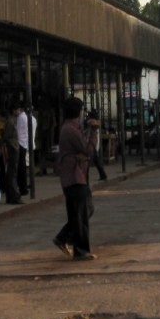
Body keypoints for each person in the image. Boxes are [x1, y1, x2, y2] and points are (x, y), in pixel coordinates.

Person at [52, 96, 99, 261]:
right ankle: (79, 249)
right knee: (81, 214)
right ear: (76, 112)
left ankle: (64, 238)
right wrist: (94, 132)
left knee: (80, 212)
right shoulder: (70, 130)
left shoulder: (71, 128)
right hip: (74, 177)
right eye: (81, 110)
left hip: (74, 176)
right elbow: (87, 150)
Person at [2, 105, 22, 204]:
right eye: (18, 109)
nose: (19, 111)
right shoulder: (10, 122)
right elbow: (7, 137)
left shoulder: (13, 121)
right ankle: (14, 196)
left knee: (12, 173)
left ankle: (12, 196)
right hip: (12, 148)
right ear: (14, 110)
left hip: (13, 147)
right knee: (12, 173)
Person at [15, 104, 32, 197]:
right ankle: (23, 187)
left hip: (20, 143)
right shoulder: (25, 117)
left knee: (21, 167)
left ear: (19, 109)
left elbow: (17, 131)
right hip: (24, 143)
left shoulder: (20, 118)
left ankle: (22, 187)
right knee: (22, 167)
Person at [87, 109, 108, 182]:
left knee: (89, 161)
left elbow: (92, 124)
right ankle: (103, 175)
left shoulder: (92, 122)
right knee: (96, 161)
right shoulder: (97, 122)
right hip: (94, 143)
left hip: (92, 144)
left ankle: (103, 175)